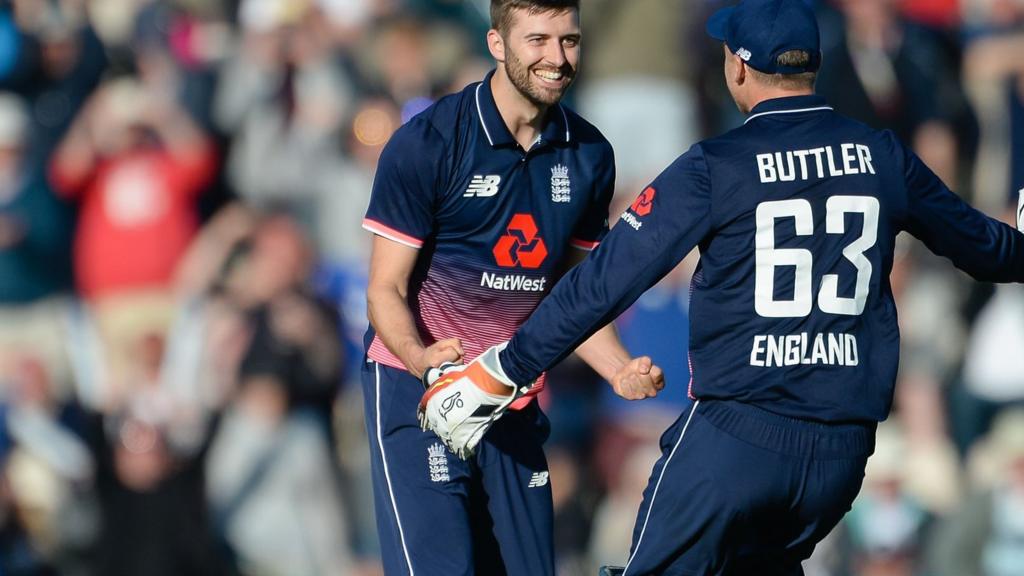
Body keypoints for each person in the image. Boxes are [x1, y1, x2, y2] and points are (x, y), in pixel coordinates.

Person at [419, 0, 1024, 574]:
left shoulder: (718, 165)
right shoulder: (883, 155)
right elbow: (991, 250)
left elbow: (604, 281)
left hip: (737, 438)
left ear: (737, 66)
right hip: (841, 455)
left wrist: (504, 368)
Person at [361, 1, 664, 574]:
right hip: (419, 391)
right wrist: (425, 361)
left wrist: (618, 367)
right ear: (496, 43)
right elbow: (384, 291)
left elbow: (571, 298)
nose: (557, 58)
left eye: (569, 40)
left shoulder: (590, 154)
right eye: (538, 40)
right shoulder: (428, 142)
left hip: (510, 394)